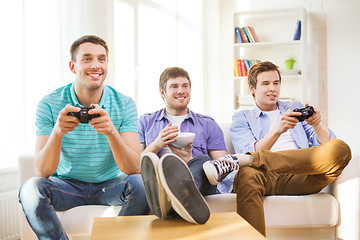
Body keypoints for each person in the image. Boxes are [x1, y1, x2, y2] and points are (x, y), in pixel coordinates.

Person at [18, 35, 149, 240]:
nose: (96, 65)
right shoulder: (49, 103)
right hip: (66, 187)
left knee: (142, 184)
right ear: (73, 66)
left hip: (109, 186)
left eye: (101, 59)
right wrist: (57, 132)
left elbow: (134, 168)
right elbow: (42, 171)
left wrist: (111, 132)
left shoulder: (124, 104)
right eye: (87, 59)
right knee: (30, 190)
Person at [203, 61, 351, 236]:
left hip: (302, 173)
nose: (272, 88)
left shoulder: (293, 108)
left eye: (276, 83)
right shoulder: (242, 118)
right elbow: (248, 148)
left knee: (341, 148)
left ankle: (247, 160)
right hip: (265, 176)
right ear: (252, 88)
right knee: (246, 174)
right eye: (265, 84)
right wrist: (278, 130)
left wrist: (317, 125)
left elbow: (326, 146)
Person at [138, 67, 229, 224]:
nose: (181, 91)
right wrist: (156, 145)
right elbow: (135, 164)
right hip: (159, 179)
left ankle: (168, 203)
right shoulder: (146, 122)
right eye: (174, 86)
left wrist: (190, 158)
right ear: (162, 93)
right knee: (153, 165)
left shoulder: (207, 124)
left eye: (185, 86)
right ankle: (176, 201)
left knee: (203, 160)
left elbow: (223, 167)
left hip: (199, 182)